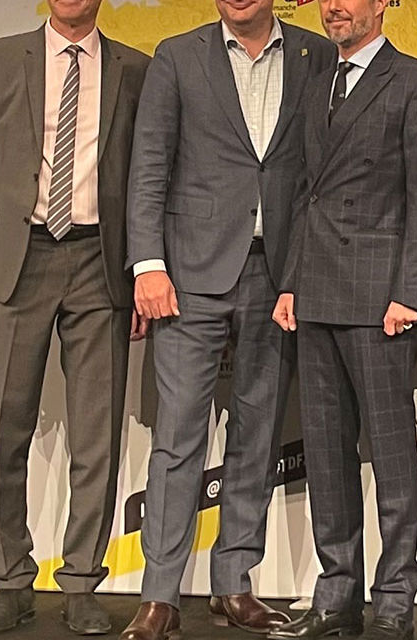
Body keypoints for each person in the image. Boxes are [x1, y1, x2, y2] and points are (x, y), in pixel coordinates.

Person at [118, 0, 337, 637]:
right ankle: (159, 594)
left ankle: (233, 582)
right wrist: (147, 265)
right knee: (178, 435)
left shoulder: (316, 55)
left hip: (278, 274)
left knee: (258, 433)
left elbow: (320, 169)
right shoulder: (177, 57)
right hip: (188, 275)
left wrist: (304, 271)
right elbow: (149, 165)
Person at [0, 0, 149, 633]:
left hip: (100, 260)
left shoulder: (134, 68)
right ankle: (11, 579)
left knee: (97, 436)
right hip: (17, 259)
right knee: (2, 432)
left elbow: (148, 180)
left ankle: (83, 582)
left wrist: (143, 271)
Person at [265, 0, 417, 637]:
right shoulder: (318, 83)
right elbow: (306, 194)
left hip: (380, 300)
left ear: (381, 5)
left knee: (392, 454)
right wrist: (291, 283)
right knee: (325, 455)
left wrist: (412, 293)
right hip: (316, 292)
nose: (334, 7)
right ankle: (336, 595)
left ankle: (395, 598)